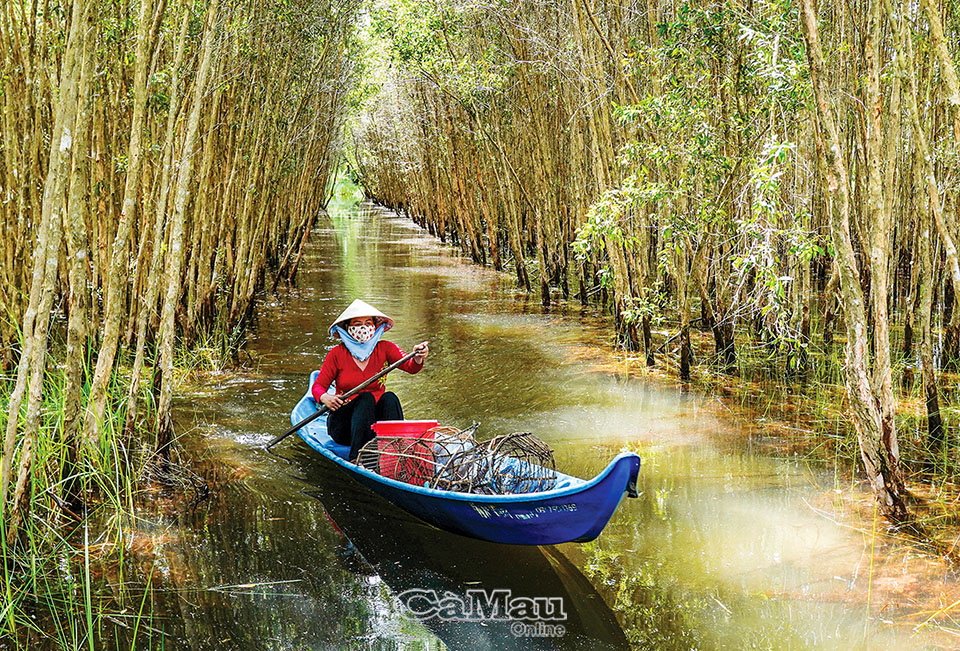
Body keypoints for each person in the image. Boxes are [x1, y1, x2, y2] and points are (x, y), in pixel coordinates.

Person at [312, 299, 429, 461]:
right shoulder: (337, 354)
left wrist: (417, 357)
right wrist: (325, 397)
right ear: (347, 328)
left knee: (390, 398)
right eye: (357, 324)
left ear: (374, 326)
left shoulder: (385, 348)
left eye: (368, 323)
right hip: (344, 426)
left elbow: (410, 366)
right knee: (365, 398)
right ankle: (359, 458)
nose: (363, 328)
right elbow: (318, 386)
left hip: (375, 426)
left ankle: (395, 455)